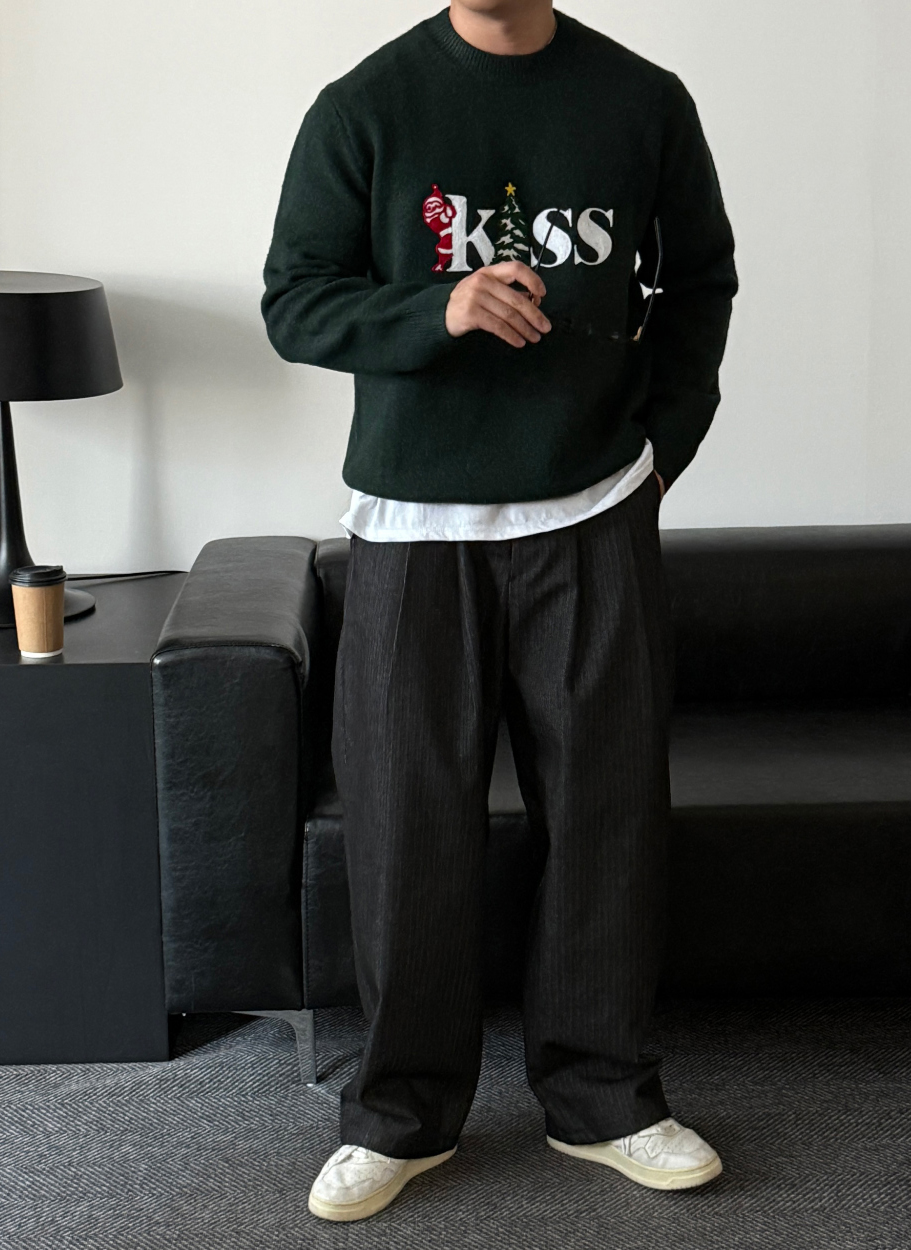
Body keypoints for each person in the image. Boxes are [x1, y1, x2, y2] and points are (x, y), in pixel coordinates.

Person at [262, 0, 737, 1223]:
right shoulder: (364, 108)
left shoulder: (640, 101)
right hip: (410, 531)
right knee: (405, 828)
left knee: (607, 815)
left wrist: (661, 451)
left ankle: (604, 1097)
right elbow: (294, 302)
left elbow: (700, 282)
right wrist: (440, 309)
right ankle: (399, 1114)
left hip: (592, 512)